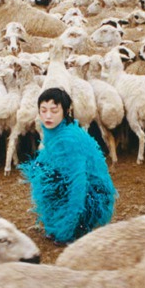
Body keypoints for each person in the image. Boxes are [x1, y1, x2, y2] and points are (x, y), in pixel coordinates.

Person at [19, 87, 116, 245]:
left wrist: (67, 227)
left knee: (51, 178)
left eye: (54, 111)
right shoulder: (55, 132)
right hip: (75, 186)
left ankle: (76, 227)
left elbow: (78, 181)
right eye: (43, 110)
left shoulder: (69, 139)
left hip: (91, 195)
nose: (48, 116)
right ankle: (58, 222)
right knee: (42, 172)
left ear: (66, 111)